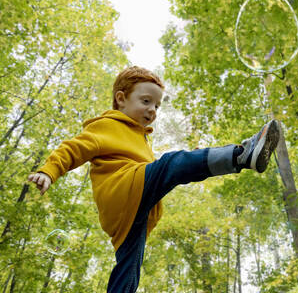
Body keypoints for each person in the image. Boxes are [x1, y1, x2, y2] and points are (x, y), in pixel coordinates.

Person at [27, 66, 280, 292]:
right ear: (121, 99)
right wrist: (49, 171)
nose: (152, 110)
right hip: (123, 189)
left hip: (131, 214)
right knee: (172, 163)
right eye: (146, 101)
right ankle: (240, 156)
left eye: (157, 106)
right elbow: (73, 149)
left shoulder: (141, 138)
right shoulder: (105, 125)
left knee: (128, 272)